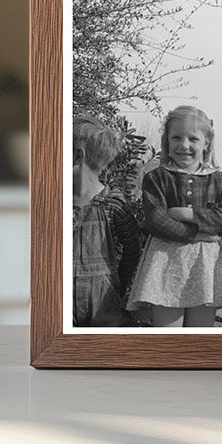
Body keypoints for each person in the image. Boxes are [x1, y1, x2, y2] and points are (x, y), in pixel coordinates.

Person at [127, 105, 222, 327]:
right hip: (167, 263)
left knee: (199, 337)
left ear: (206, 143)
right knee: (168, 336)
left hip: (206, 266)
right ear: (167, 142)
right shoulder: (157, 178)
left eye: (193, 139)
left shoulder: (220, 180)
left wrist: (189, 214)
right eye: (176, 138)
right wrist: (199, 234)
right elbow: (156, 220)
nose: (184, 145)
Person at [72, 114, 141, 327]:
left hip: (103, 306)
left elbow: (133, 252)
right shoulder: (55, 203)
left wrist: (115, 288)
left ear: (77, 156)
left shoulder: (113, 205)